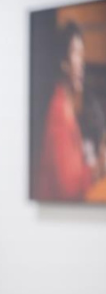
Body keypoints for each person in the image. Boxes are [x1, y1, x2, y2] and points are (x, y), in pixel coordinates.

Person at [36, 21, 98, 200]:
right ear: (63, 62)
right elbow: (69, 189)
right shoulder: (59, 112)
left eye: (82, 53)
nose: (82, 62)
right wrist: (98, 168)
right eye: (76, 53)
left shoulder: (67, 107)